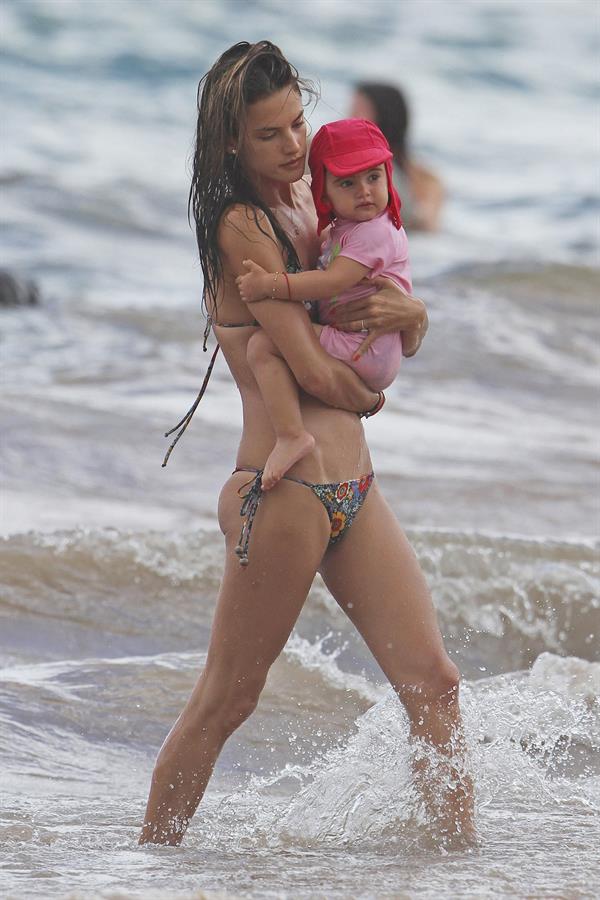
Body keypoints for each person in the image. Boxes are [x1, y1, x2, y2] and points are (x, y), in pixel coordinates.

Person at [139, 40, 473, 848]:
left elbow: (388, 307)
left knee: (436, 686)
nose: (293, 146)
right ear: (229, 142)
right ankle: (148, 864)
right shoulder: (241, 226)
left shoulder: (315, 209)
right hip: (282, 493)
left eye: (298, 123)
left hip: (354, 489)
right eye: (268, 135)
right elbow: (319, 373)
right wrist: (376, 392)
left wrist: (416, 321)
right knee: (225, 703)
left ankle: (460, 865)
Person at [236, 117, 414, 491]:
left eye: (373, 177)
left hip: (365, 349)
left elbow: (331, 282)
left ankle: (290, 435)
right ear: (325, 191)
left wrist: (269, 285)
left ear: (388, 174)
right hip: (370, 352)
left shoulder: (375, 231)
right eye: (347, 182)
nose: (364, 191)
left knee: (263, 346)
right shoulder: (343, 230)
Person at [350, 82, 444, 232]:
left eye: (358, 110)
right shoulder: (426, 178)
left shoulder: (426, 179)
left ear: (385, 116)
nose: (350, 117)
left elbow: (429, 227)